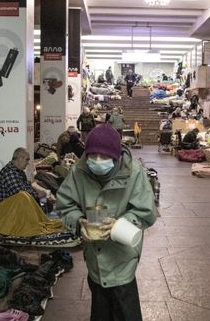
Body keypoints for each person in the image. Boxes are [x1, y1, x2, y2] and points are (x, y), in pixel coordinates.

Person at [56, 124, 156, 321]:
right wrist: (78, 222)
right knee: (100, 309)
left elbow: (146, 211)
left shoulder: (133, 172)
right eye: (92, 156)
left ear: (116, 156)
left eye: (104, 157)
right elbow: (65, 205)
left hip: (122, 257)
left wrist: (120, 224)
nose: (97, 161)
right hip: (94, 255)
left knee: (125, 308)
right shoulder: (79, 172)